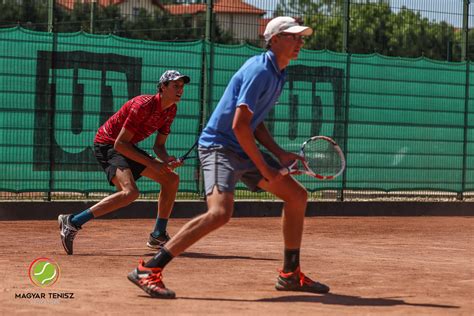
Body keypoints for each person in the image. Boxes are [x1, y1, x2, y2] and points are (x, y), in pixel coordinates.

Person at [127, 17, 330, 299]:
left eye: (301, 37)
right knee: (220, 213)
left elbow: (253, 121)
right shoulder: (261, 70)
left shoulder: (278, 73)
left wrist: (279, 153)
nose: (300, 41)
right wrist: (264, 167)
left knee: (296, 196)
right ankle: (149, 269)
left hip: (241, 148)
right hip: (219, 147)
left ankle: (290, 274)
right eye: (292, 36)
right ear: (273, 40)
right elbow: (238, 125)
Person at [58, 70, 191, 255]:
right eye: (175, 85)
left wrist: (167, 159)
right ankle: (73, 222)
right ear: (162, 87)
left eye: (182, 86)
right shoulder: (142, 105)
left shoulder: (171, 110)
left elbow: (159, 146)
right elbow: (119, 144)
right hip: (108, 144)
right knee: (130, 192)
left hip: (127, 145)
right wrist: (154, 165)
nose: (180, 89)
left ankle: (158, 234)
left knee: (171, 180)